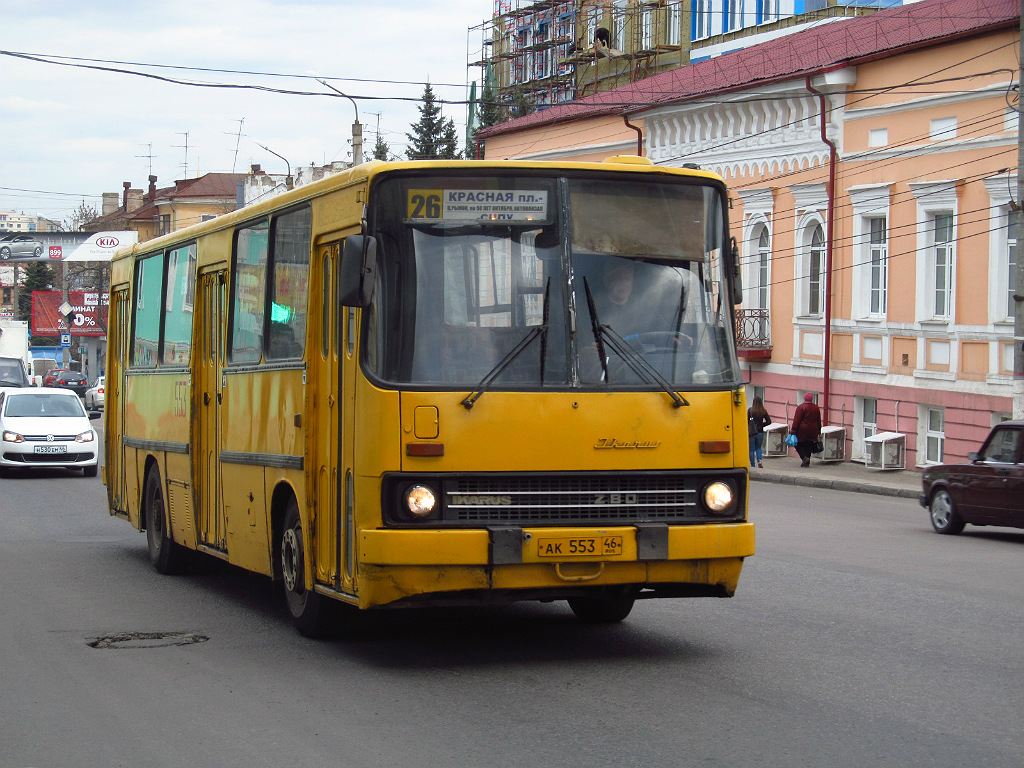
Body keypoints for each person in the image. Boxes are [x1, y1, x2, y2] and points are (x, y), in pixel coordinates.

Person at [791, 392, 822, 467]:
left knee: (798, 444)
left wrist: (793, 430)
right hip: (813, 429)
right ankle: (807, 461)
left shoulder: (801, 407)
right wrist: (818, 430)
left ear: (804, 398)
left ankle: (804, 458)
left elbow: (797, 419)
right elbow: (818, 420)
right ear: (812, 399)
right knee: (809, 444)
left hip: (802, 429)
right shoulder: (816, 408)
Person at [747, 396, 771, 468]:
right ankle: (759, 460)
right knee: (758, 447)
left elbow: (746, 421)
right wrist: (761, 425)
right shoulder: (763, 411)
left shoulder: (750, 411)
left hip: (752, 432)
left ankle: (753, 464)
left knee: (751, 449)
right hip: (760, 431)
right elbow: (769, 421)